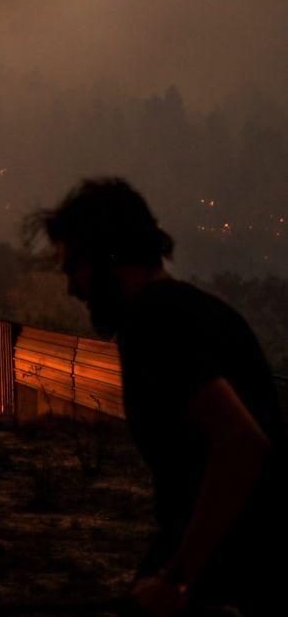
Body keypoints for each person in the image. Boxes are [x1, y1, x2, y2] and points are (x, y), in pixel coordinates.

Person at [35, 179, 286, 616]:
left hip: (228, 584)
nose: (71, 288)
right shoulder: (208, 313)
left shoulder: (153, 323)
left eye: (73, 267)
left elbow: (242, 443)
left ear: (108, 257)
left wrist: (177, 581)